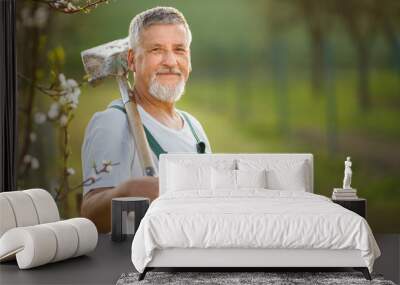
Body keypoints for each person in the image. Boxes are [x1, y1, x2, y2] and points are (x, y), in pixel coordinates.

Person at [81, 7, 212, 233]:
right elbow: (90, 215)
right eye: (156, 50)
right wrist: (130, 191)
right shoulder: (113, 124)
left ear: (189, 60)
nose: (170, 61)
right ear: (132, 60)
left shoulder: (194, 127)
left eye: (179, 50)